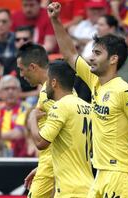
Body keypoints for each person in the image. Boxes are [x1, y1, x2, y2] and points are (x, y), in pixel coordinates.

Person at [48, 2, 128, 197]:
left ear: (113, 59)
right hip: (100, 175)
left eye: (97, 53)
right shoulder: (94, 81)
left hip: (121, 174)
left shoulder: (126, 91)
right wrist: (55, 20)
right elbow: (70, 53)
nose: (91, 58)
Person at [27, 60, 94, 197]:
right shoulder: (88, 107)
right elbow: (72, 148)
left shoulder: (60, 106)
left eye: (47, 80)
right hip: (88, 187)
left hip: (70, 191)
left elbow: (41, 143)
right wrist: (44, 168)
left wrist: (32, 119)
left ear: (53, 82)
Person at [18, 43, 54, 197]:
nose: (21, 74)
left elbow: (44, 142)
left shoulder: (49, 94)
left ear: (32, 67)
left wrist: (32, 118)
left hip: (52, 167)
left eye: (21, 69)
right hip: (52, 165)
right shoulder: (53, 89)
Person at [0, 75, 30, 157]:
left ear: (19, 91)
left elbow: (17, 134)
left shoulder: (26, 109)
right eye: (6, 89)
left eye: (14, 88)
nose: (10, 92)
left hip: (17, 155)